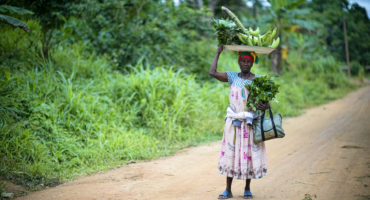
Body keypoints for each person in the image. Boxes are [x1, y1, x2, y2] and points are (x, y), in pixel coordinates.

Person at [209, 45, 269, 199]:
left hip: (249, 123)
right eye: (242, 61)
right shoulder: (232, 77)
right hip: (234, 123)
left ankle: (247, 189)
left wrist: (264, 105)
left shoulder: (258, 80)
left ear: (252, 63)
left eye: (248, 61)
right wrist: (218, 52)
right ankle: (228, 189)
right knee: (230, 153)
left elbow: (265, 102)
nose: (245, 64)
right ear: (238, 62)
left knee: (248, 154)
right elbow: (212, 72)